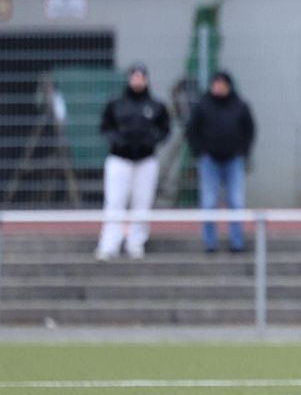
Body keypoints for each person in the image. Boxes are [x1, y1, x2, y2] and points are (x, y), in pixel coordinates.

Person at [95, 63, 170, 261]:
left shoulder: (155, 105)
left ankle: (136, 243)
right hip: (120, 159)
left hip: (145, 160)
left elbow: (164, 130)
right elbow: (105, 127)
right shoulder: (116, 103)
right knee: (115, 202)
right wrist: (117, 141)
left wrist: (151, 141)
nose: (137, 80)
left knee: (142, 203)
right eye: (134, 76)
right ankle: (109, 244)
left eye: (141, 76)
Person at [187, 71, 255, 253]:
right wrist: (199, 152)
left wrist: (243, 152)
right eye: (216, 83)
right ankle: (210, 243)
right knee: (209, 203)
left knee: (236, 202)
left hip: (233, 160)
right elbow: (192, 130)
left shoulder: (240, 105)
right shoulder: (203, 105)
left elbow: (249, 130)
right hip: (210, 160)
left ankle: (237, 242)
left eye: (222, 84)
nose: (219, 87)